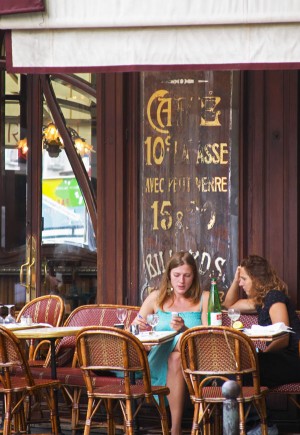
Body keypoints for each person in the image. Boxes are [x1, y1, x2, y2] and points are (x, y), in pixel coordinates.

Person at [132, 251, 209, 435]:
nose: (181, 281)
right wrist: (139, 328)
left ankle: (173, 429)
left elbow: (207, 336)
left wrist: (183, 330)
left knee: (177, 356)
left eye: (187, 275)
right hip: (156, 359)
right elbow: (132, 331)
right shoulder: (156, 298)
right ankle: (175, 430)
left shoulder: (204, 298)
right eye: (176, 275)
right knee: (175, 358)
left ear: (194, 277)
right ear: (169, 275)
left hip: (195, 363)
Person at [223, 254, 300, 435]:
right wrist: (235, 279)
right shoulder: (261, 301)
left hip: (292, 360)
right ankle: (255, 424)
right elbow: (229, 305)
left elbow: (283, 338)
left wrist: (259, 355)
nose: (241, 284)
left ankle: (263, 425)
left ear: (256, 279)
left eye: (244, 279)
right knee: (238, 370)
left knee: (244, 370)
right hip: (282, 360)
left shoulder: (275, 297)